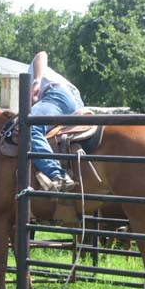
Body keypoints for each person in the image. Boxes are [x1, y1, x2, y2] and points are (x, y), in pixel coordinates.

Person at [28, 51, 84, 191]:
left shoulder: (32, 70)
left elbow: (41, 54)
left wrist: (37, 81)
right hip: (76, 101)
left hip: (57, 94)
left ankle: (57, 175)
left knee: (29, 126)